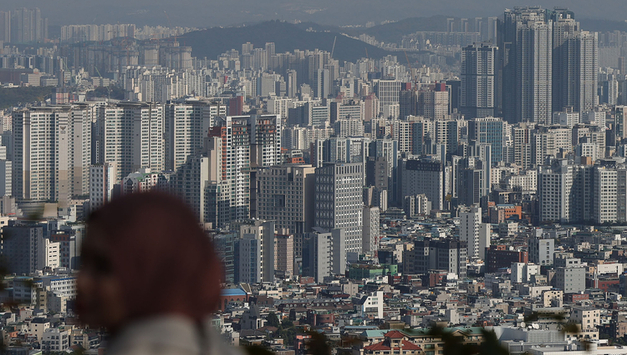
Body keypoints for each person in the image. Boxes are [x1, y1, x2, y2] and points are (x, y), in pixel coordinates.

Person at [77, 192, 242, 355]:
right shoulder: (210, 344)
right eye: (83, 262)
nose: (81, 282)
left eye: (103, 268)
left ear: (156, 274)